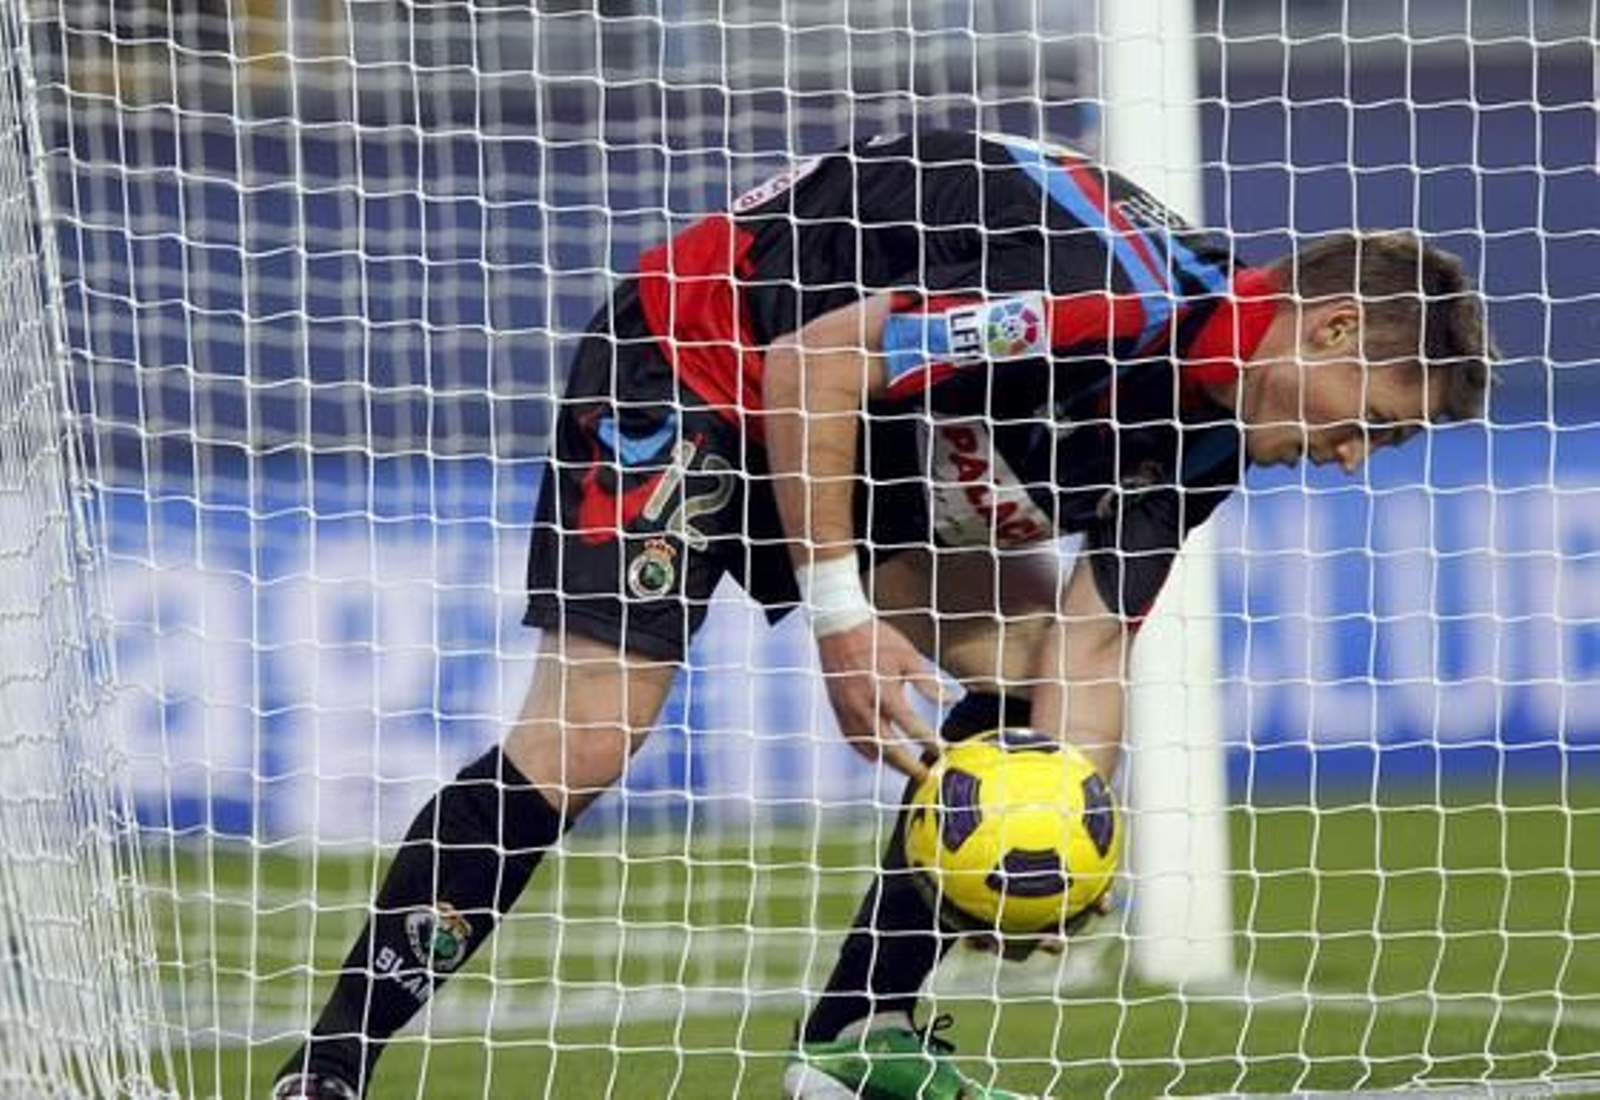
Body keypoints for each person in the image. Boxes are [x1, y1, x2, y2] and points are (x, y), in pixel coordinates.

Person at [271, 129, 1492, 1100]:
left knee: (1020, 679)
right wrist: (840, 613)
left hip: (871, 446)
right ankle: (328, 1066)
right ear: (1330, 327)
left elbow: (1088, 637)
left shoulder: (1208, 431)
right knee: (591, 734)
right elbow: (814, 366)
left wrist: (1046, 846)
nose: (1350, 457)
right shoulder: (1107, 296)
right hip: (707, 358)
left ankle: (854, 1035)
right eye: (1372, 418)